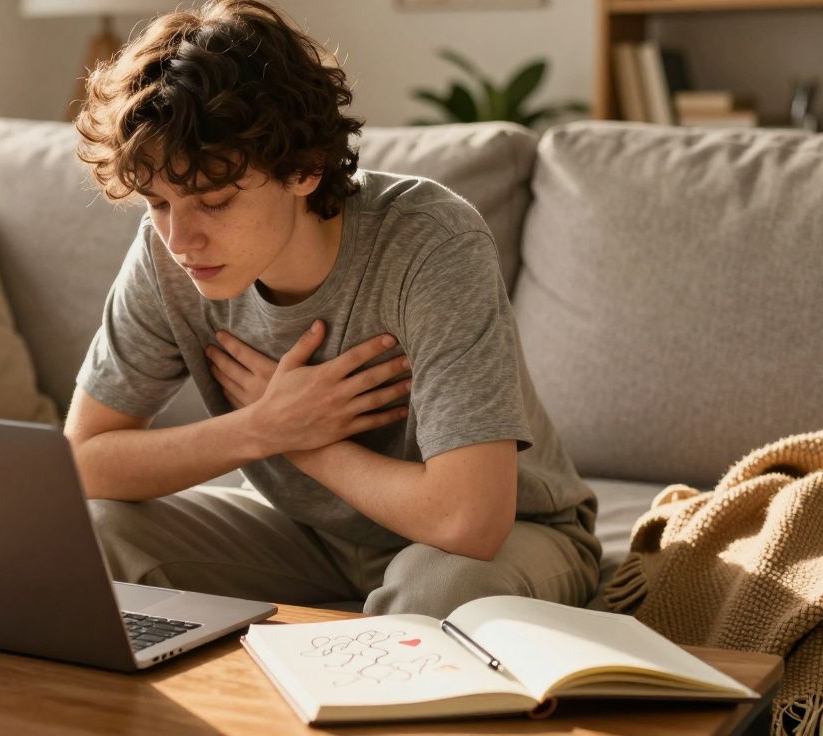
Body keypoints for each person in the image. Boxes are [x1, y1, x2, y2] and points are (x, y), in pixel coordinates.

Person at [64, 0, 600, 617]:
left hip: (508, 540)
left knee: (438, 590)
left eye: (212, 201)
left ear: (304, 169)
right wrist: (261, 427)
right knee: (91, 534)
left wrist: (306, 443)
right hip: (309, 538)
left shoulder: (431, 243)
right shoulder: (167, 258)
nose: (180, 240)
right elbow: (83, 461)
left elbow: (469, 520)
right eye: (157, 203)